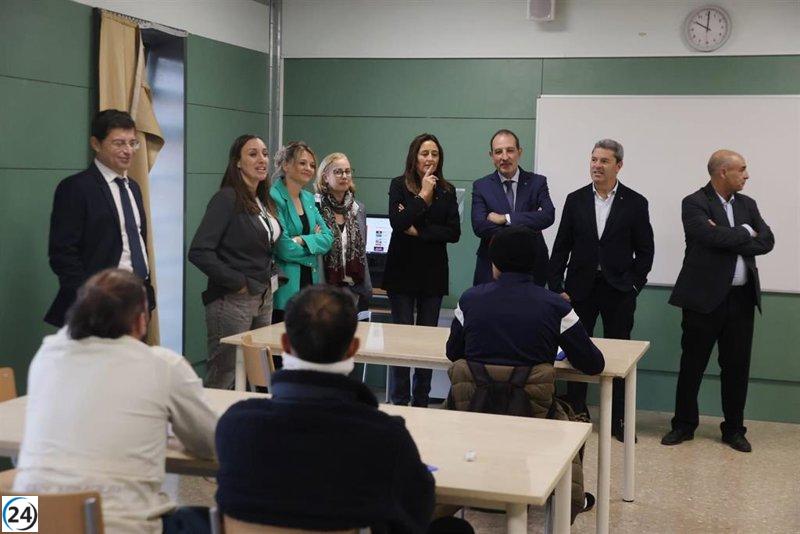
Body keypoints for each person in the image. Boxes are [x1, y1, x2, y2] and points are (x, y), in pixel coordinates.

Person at [215, 285, 436, 533]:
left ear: (285, 344)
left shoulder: (235, 425)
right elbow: (417, 513)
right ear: (353, 348)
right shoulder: (386, 437)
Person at [15, 269, 217, 534]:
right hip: (114, 525)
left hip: (26, 523)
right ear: (140, 321)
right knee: (213, 520)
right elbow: (210, 442)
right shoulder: (162, 364)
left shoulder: (46, 355)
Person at [662, 150, 774, 453]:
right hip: (702, 299)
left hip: (741, 300)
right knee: (692, 365)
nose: (747, 175)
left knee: (737, 368)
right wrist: (745, 232)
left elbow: (767, 240)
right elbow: (708, 238)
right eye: (742, 169)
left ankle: (734, 429)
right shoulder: (694, 202)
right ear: (723, 172)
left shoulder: (748, 204)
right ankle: (684, 425)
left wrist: (729, 234)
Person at [548, 139, 654, 442]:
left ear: (618, 166)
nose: (597, 165)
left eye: (604, 161)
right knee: (575, 352)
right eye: (594, 159)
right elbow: (561, 247)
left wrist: (634, 285)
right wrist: (556, 287)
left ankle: (619, 419)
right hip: (579, 290)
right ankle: (576, 412)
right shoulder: (576, 199)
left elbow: (645, 250)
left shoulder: (635, 202)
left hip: (618, 290)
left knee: (620, 354)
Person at [46, 109, 155, 327]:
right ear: (96, 144)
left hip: (136, 299)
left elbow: (137, 243)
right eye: (119, 143)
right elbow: (63, 253)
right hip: (98, 305)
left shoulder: (133, 188)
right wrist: (90, 299)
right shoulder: (76, 188)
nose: (128, 151)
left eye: (132, 143)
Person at [188, 135, 281, 389]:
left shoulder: (263, 200)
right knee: (225, 372)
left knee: (258, 373)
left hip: (263, 296)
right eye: (253, 154)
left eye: (265, 154)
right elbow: (199, 251)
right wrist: (238, 283)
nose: (262, 159)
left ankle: (248, 414)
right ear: (237, 162)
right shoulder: (226, 198)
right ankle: (209, 416)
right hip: (233, 299)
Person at [447, 225, 604, 375]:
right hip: (532, 394)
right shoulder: (557, 307)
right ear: (535, 261)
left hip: (478, 393)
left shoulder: (469, 301)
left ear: (494, 261)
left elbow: (453, 352)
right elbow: (593, 364)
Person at [382, 133, 461, 407]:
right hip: (401, 272)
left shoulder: (448, 190)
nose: (430, 159)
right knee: (402, 340)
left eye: (434, 154)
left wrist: (419, 231)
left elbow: (453, 232)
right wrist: (423, 196)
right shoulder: (398, 185)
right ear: (414, 157)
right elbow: (397, 222)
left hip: (432, 274)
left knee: (427, 342)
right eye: (424, 153)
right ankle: (400, 399)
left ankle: (421, 401)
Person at [471, 129, 554, 286]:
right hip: (491, 266)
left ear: (519, 152)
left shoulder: (537, 182)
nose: (504, 157)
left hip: (532, 266)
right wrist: (527, 225)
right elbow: (479, 226)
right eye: (498, 152)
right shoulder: (481, 186)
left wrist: (506, 218)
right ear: (491, 155)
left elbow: (548, 215)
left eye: (510, 150)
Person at [270, 141, 333, 323]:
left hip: (310, 285)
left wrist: (301, 240)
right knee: (282, 339)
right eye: (302, 163)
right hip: (286, 287)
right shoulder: (273, 196)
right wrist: (313, 245)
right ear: (286, 165)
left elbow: (328, 238)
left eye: (312, 165)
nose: (309, 168)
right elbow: (283, 248)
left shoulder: (308, 198)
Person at [314, 152, 372, 314]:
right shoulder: (315, 207)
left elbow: (362, 250)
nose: (344, 176)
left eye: (347, 171)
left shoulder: (358, 209)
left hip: (354, 289)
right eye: (338, 172)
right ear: (325, 177)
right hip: (324, 289)